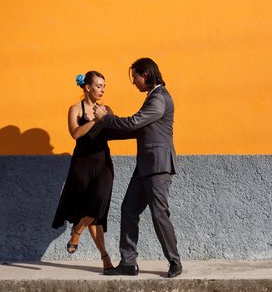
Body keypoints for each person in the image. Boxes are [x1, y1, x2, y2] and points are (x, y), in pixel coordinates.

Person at [90, 58, 182, 278]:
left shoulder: (159, 99)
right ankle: (128, 262)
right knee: (128, 210)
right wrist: (103, 131)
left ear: (146, 75)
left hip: (158, 166)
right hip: (144, 167)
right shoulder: (152, 98)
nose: (134, 83)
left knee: (159, 215)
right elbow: (137, 130)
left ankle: (175, 262)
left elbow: (133, 123)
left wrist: (107, 117)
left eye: (136, 78)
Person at [52, 71, 115, 275]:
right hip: (82, 165)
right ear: (87, 87)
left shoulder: (106, 109)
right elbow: (75, 133)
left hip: (103, 163)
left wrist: (108, 119)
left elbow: (115, 131)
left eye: (104, 86)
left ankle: (77, 230)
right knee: (93, 214)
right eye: (99, 85)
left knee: (99, 200)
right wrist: (95, 120)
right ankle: (105, 258)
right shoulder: (75, 109)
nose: (102, 90)